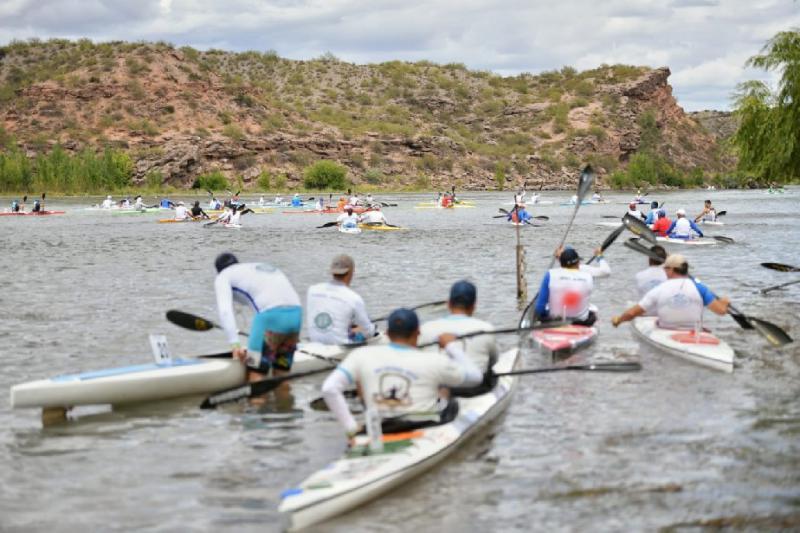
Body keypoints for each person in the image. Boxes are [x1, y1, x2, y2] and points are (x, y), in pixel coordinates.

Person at [321, 308, 482, 437]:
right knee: (448, 395)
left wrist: (351, 429)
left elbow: (329, 388)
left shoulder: (361, 355)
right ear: (417, 333)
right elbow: (476, 378)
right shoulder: (433, 360)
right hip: (424, 426)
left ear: (388, 334)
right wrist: (451, 346)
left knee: (362, 385)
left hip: (383, 427)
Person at [214, 253, 303, 386]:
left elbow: (225, 311)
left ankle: (256, 403)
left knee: (256, 376)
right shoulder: (255, 267)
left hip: (271, 318)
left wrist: (235, 345)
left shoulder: (223, 276)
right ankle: (285, 404)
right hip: (296, 314)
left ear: (219, 270)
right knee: (282, 377)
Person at [418, 280, 499, 395]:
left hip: (438, 387)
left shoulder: (425, 328)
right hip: (473, 389)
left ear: (449, 304)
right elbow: (494, 361)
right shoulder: (486, 328)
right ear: (473, 306)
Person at [612, 254, 730, 330]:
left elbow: (632, 313)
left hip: (666, 330)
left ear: (671, 270)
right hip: (693, 332)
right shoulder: (700, 288)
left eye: (665, 268)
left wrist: (619, 320)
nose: (664, 271)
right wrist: (724, 302)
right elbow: (721, 311)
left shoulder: (660, 289)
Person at [306, 255, 376, 345]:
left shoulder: (312, 290)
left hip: (314, 342)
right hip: (339, 346)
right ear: (351, 272)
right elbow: (368, 332)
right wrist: (373, 328)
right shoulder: (354, 298)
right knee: (364, 332)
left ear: (332, 271)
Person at [533, 245, 611, 326]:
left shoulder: (550, 274)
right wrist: (599, 256)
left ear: (560, 261)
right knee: (592, 315)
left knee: (542, 311)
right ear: (578, 262)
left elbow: (540, 308)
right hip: (580, 322)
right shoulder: (586, 273)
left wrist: (543, 316)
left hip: (555, 320)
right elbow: (606, 271)